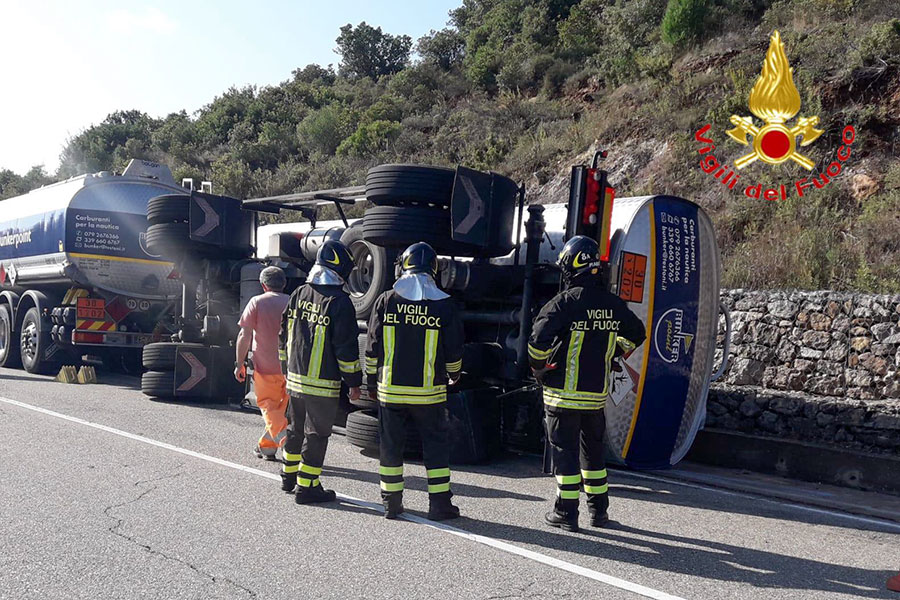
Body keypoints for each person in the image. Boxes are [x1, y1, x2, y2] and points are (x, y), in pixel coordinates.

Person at [528, 235, 646, 533]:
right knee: (592, 455)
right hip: (595, 397)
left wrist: (540, 367)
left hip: (562, 396)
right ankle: (599, 512)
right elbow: (637, 334)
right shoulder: (613, 304)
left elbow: (537, 341)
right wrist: (614, 351)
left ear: (571, 265)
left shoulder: (564, 302)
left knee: (564, 453)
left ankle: (565, 513)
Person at [365, 242, 464, 521]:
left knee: (390, 447)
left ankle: (391, 504)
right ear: (434, 269)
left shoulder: (385, 300)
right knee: (435, 449)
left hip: (390, 392)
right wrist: (454, 374)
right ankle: (440, 505)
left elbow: (372, 347)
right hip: (429, 394)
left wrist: (370, 382)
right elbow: (454, 350)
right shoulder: (444, 304)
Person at [279, 240, 362, 504]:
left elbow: (283, 335)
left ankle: (288, 476)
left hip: (295, 379)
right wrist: (354, 382)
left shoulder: (299, 293)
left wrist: (285, 368)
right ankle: (307, 488)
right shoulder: (339, 303)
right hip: (322, 385)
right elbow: (346, 349)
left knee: (294, 429)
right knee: (316, 435)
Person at [235, 266, 291, 461]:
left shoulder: (256, 302)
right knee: (278, 410)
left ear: (263, 285)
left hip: (265, 366)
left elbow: (245, 335)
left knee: (268, 406)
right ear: (284, 283)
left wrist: (239, 363)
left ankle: (286, 442)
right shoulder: (293, 302)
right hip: (291, 368)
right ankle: (266, 447)